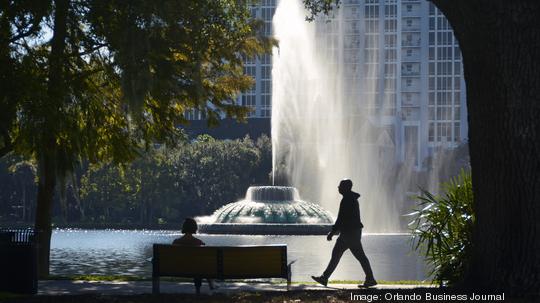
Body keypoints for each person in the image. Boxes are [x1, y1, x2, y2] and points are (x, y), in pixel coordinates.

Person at [312, 179, 377, 288]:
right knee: (340, 255)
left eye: (340, 186)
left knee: (356, 256)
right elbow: (342, 219)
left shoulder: (347, 199)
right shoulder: (350, 198)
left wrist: (332, 232)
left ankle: (370, 279)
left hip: (350, 233)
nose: (338, 187)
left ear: (346, 188)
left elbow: (341, 218)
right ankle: (324, 277)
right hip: (350, 233)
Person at [172, 218, 216, 294]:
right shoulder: (199, 242)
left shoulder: (176, 242)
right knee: (200, 265)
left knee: (198, 265)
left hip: (178, 268)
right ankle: (207, 285)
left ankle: (209, 284)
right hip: (196, 268)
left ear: (184, 227)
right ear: (194, 228)